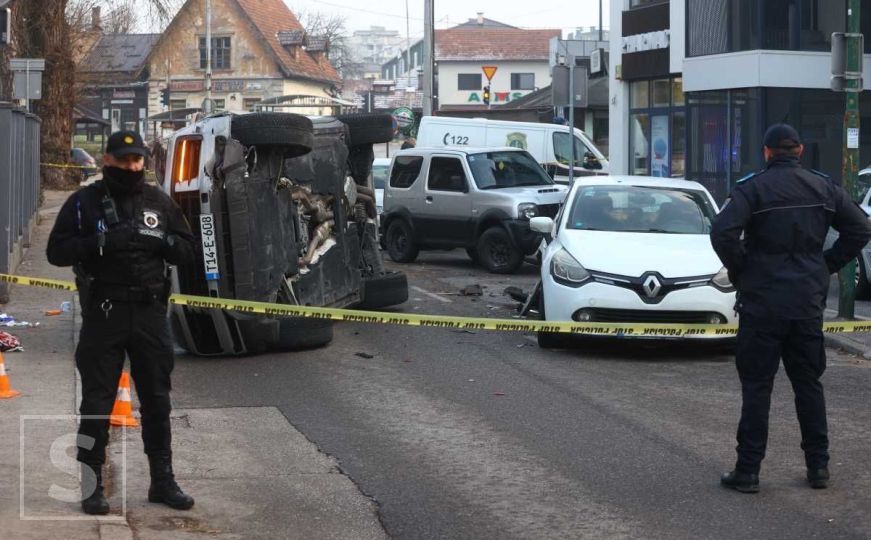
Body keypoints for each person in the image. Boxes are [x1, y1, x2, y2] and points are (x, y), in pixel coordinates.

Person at [710, 123, 871, 493]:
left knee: (757, 388)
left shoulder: (752, 188)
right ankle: (819, 468)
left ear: (767, 153)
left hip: (762, 303)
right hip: (805, 304)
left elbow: (722, 233)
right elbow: (860, 230)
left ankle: (748, 471)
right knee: (809, 385)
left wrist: (743, 269)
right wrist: (825, 265)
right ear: (799, 151)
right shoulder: (824, 186)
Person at [47, 130, 196, 514]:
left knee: (157, 401)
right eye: (123, 159)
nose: (130, 166)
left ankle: (162, 481)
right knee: (97, 402)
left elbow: (187, 250)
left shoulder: (158, 202)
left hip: (149, 315)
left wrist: (161, 242)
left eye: (136, 160)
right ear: (107, 161)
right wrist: (98, 245)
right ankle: (90, 485)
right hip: (105, 314)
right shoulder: (84, 203)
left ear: (143, 162)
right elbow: (56, 252)